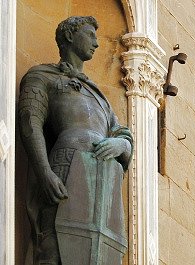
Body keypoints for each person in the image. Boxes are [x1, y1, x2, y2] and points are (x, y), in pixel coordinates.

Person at [19, 16, 132, 265]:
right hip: (66, 168)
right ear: (70, 36)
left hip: (103, 182)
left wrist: (121, 145)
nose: (96, 43)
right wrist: (44, 172)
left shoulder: (100, 97)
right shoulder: (42, 76)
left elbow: (121, 131)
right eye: (90, 35)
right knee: (54, 247)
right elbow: (30, 122)